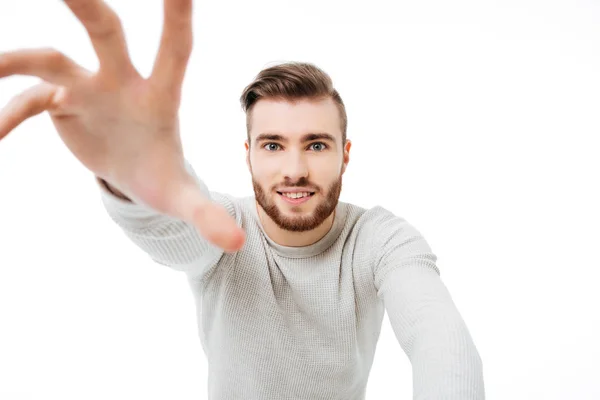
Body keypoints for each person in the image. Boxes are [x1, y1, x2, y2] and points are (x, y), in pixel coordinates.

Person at [0, 0, 485, 398]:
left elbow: (437, 338)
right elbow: (176, 231)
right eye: (273, 145)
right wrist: (133, 182)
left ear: (345, 154)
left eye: (316, 144)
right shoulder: (223, 225)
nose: (294, 168)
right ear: (248, 154)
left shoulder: (380, 239)